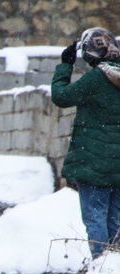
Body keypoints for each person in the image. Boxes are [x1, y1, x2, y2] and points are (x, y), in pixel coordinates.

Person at [51, 27, 120, 258]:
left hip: (94, 163)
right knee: (116, 219)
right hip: (118, 167)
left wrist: (65, 66)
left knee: (96, 217)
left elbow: (61, 97)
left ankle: (100, 267)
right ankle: (115, 265)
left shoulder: (96, 79)